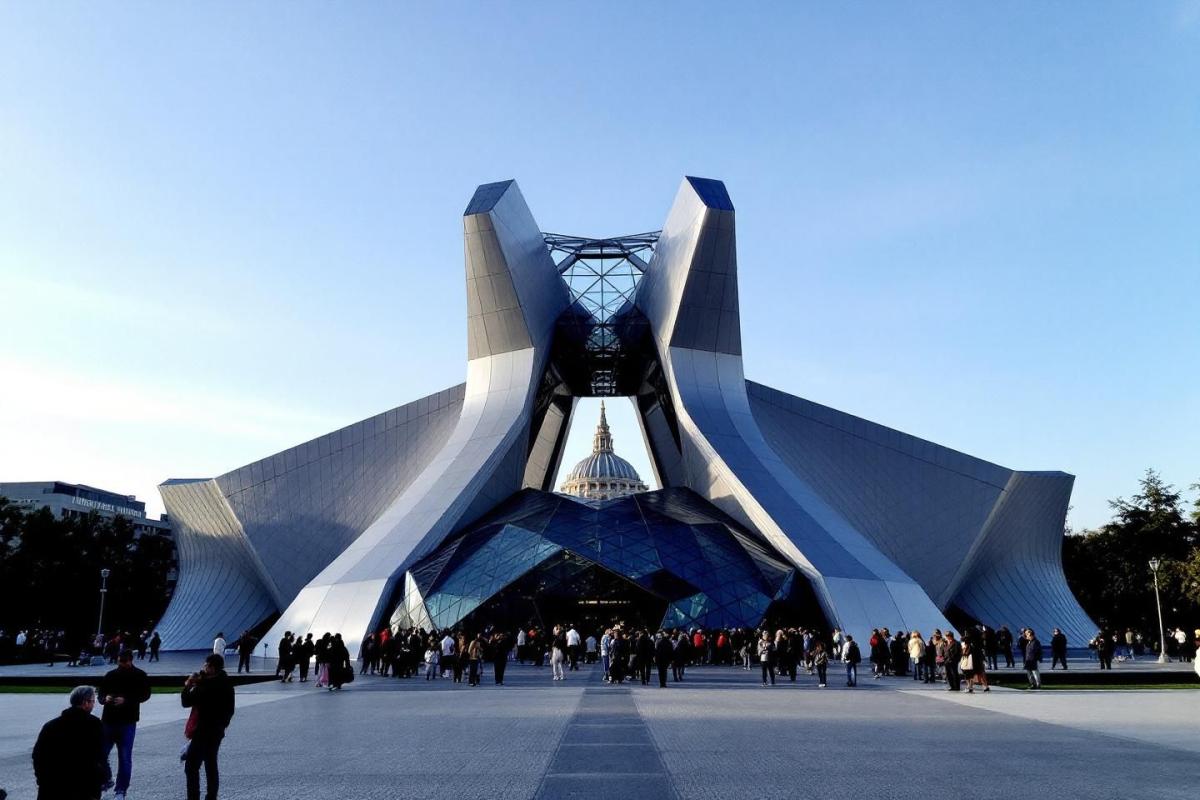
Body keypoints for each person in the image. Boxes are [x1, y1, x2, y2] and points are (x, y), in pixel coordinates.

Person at [32, 685, 106, 800]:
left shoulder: (51, 726)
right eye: (92, 701)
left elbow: (38, 756)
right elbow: (98, 756)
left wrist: (41, 780)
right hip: (83, 787)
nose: (93, 704)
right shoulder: (93, 725)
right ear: (85, 703)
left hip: (52, 785)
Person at [98, 649, 151, 799]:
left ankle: (121, 790)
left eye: (124, 662)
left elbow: (145, 695)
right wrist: (105, 698)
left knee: (125, 757)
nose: (121, 664)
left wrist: (126, 700)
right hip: (108, 719)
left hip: (127, 721)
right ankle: (107, 779)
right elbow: (101, 694)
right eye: (119, 662)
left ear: (130, 660)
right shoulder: (110, 675)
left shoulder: (140, 675)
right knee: (100, 753)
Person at [182, 653, 235, 800]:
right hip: (216, 731)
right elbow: (230, 709)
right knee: (211, 764)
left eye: (206, 665)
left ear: (212, 667)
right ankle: (211, 796)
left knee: (191, 766)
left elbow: (186, 702)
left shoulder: (204, 685)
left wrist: (188, 686)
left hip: (202, 731)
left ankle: (194, 797)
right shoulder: (226, 683)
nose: (203, 667)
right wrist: (222, 725)